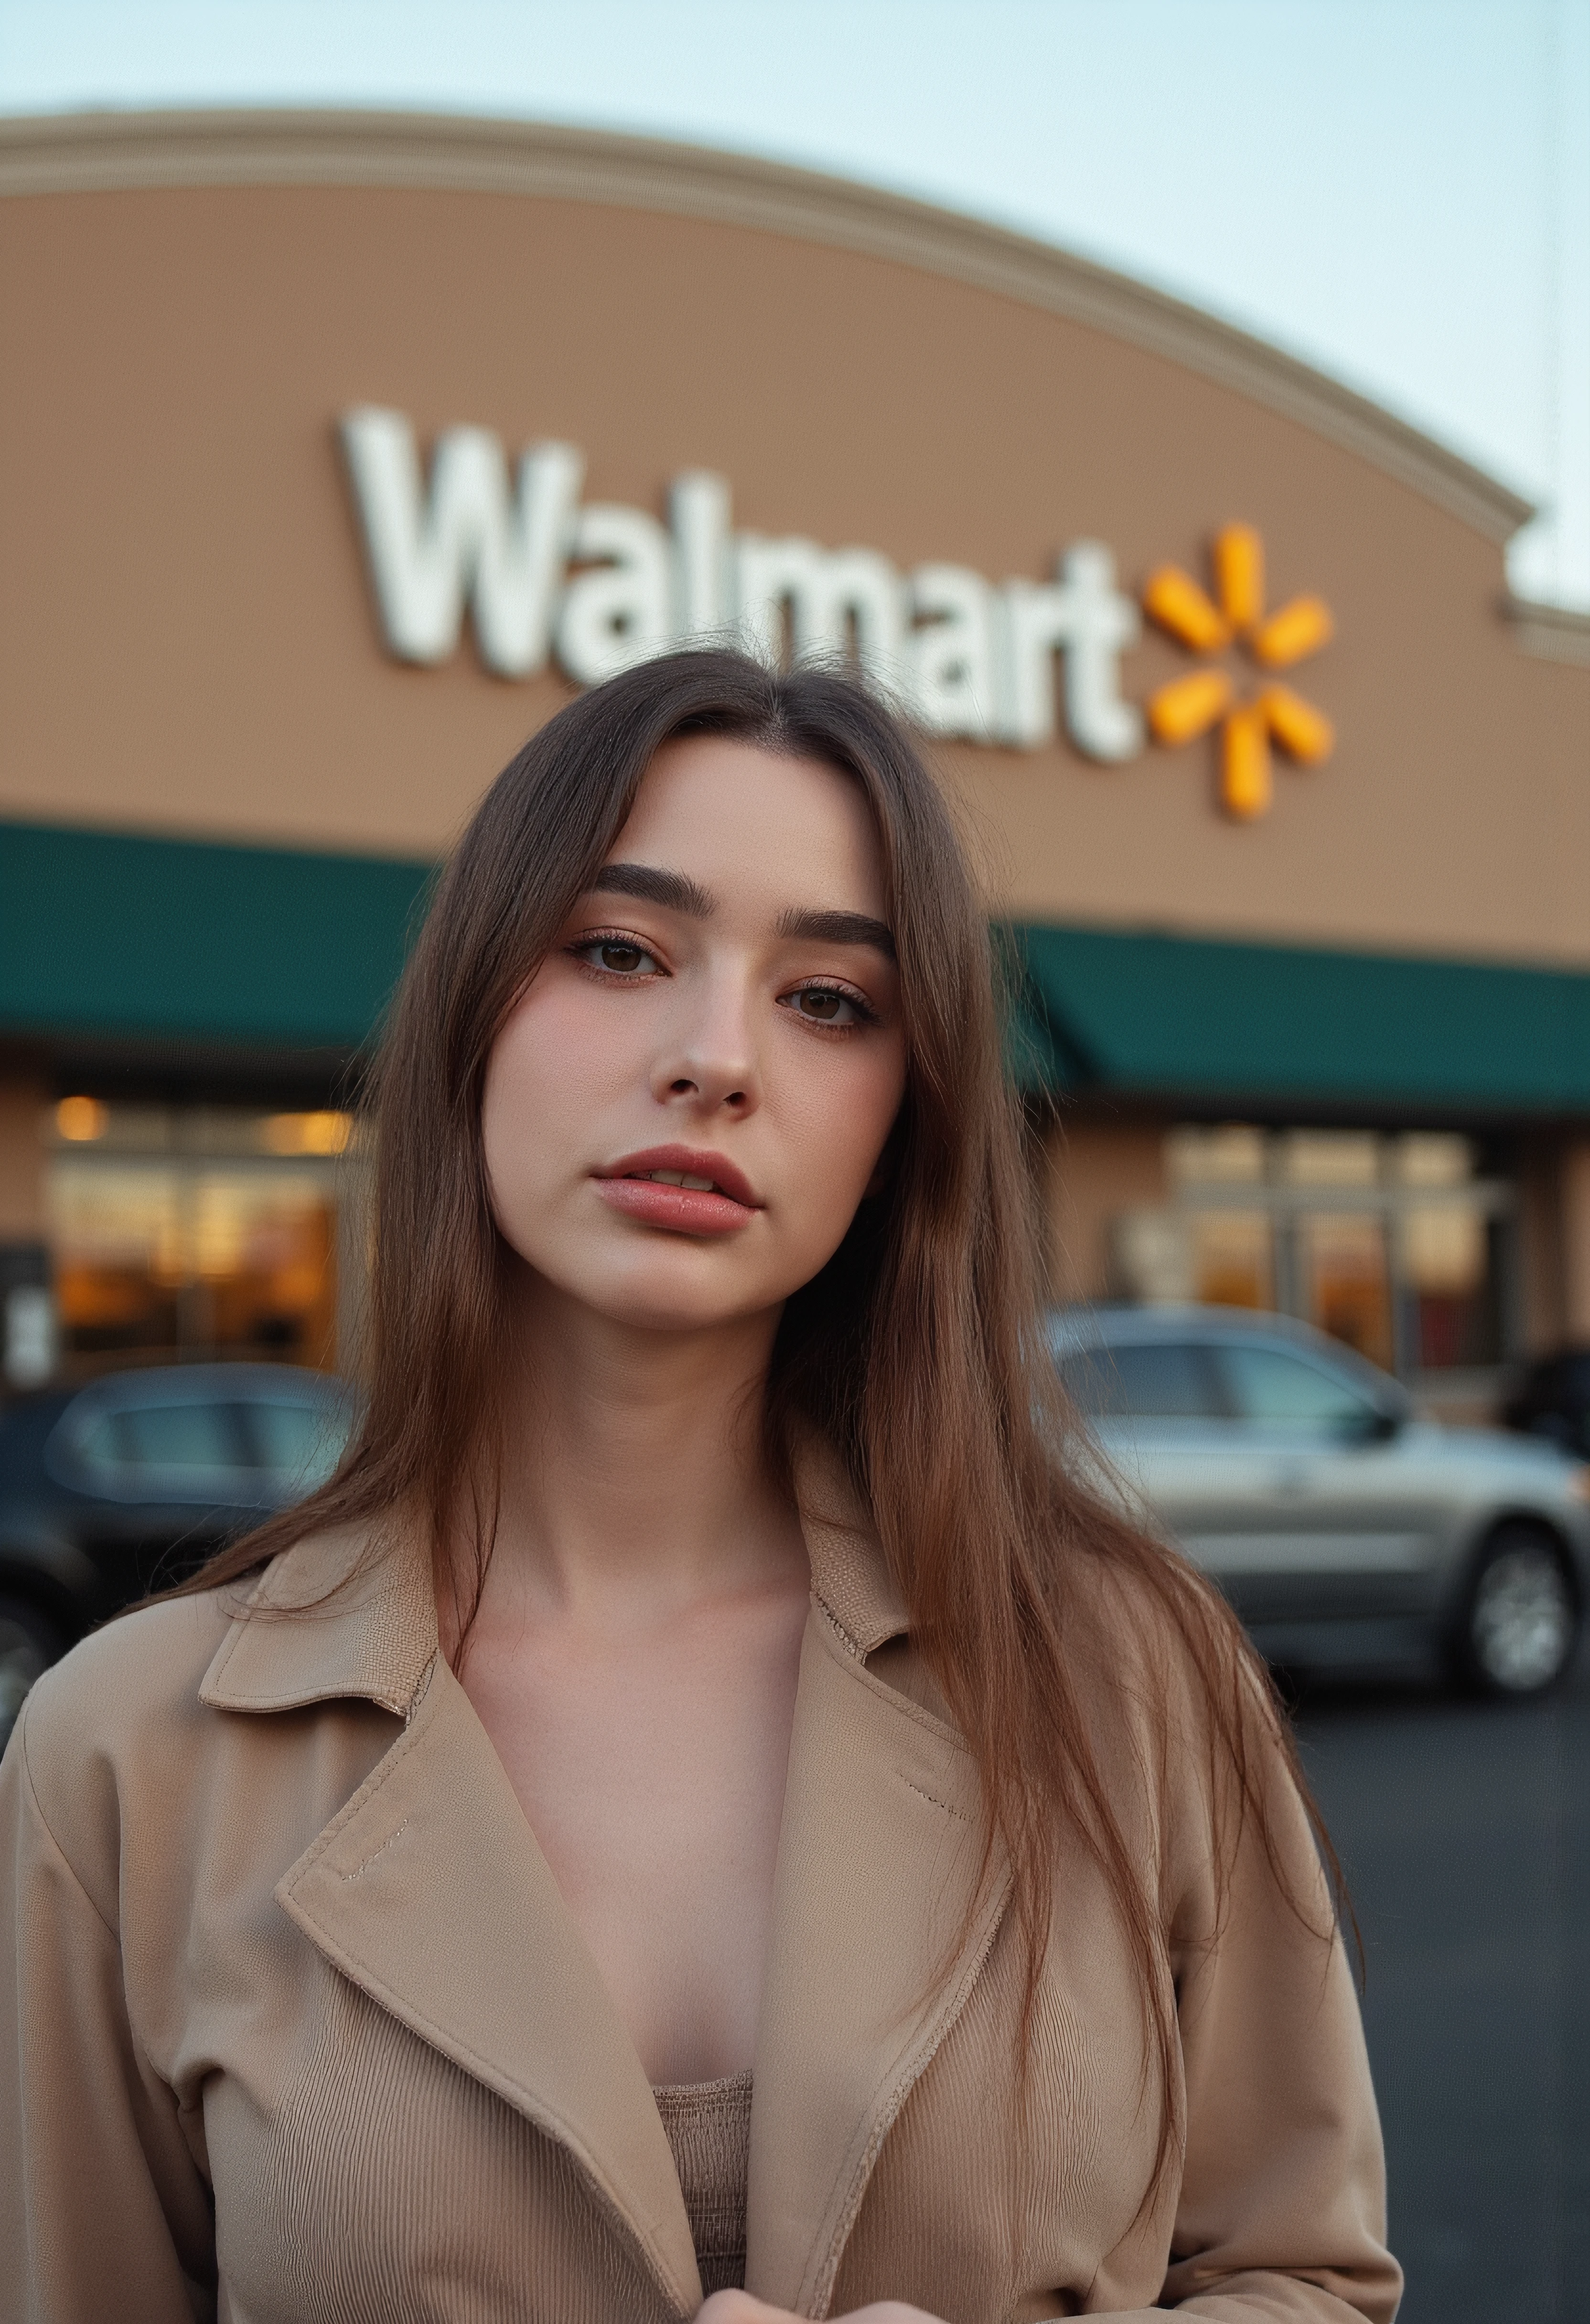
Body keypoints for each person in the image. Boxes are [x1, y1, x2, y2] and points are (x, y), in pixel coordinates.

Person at [0, 649, 1400, 2324]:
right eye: (617, 949)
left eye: (830, 1000)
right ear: (471, 1014)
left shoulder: (1131, 1673)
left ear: (909, 1113)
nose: (717, 1056)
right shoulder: (129, 1760)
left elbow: (1304, 2274)